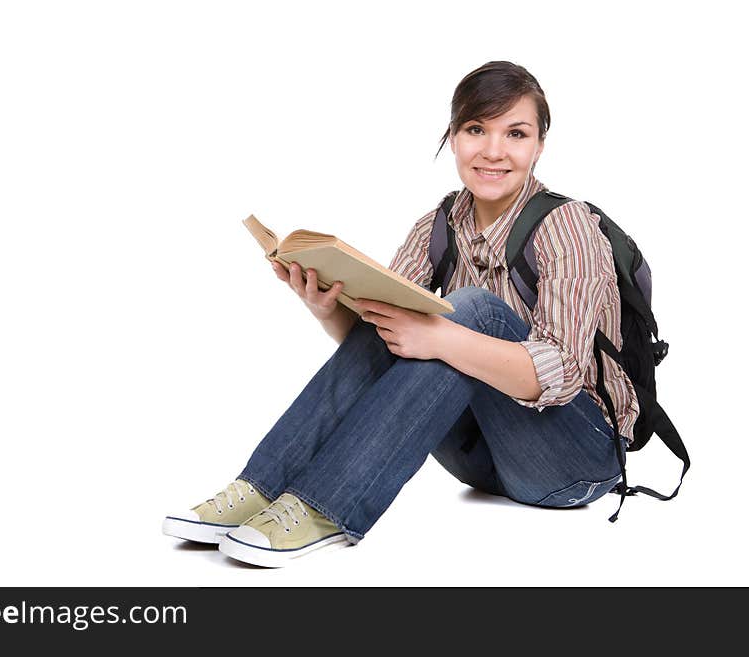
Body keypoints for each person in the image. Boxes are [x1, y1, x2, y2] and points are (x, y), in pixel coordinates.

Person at [163, 61, 639, 568]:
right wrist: (326, 308)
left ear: (539, 145)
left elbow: (562, 377)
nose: (494, 150)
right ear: (453, 137)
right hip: (482, 460)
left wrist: (439, 338)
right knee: (396, 308)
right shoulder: (436, 224)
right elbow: (386, 342)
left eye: (515, 133)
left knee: (471, 310)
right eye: (476, 129)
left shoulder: (568, 226)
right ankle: (261, 487)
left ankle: (322, 507)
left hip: (574, 460)